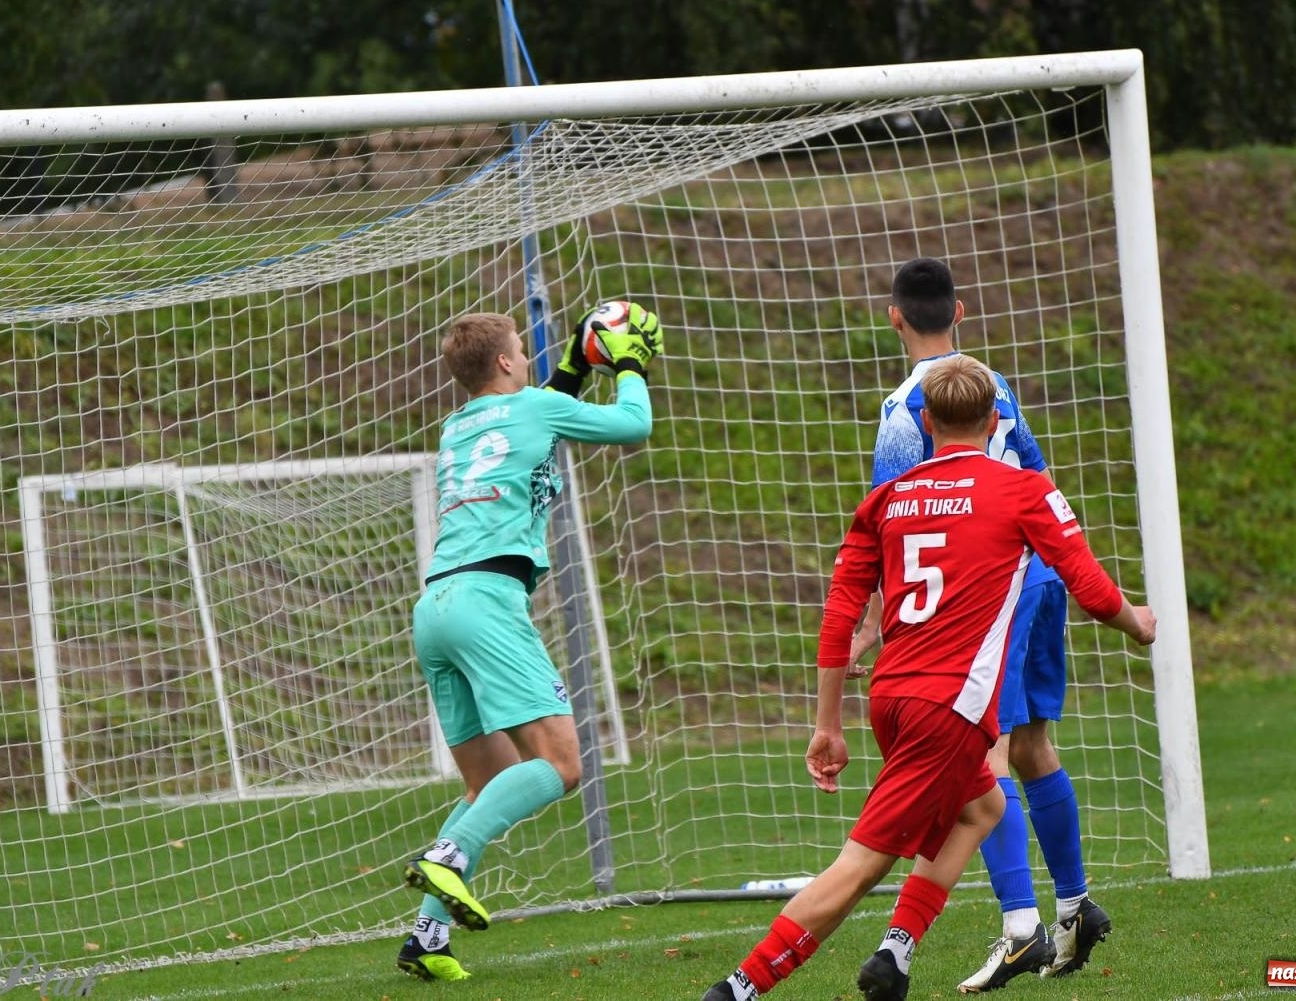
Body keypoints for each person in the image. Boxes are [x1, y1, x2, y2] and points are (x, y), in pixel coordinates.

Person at [700, 354, 1155, 1001]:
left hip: (890, 695)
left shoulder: (885, 499)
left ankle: (898, 950)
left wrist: (828, 724)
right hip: (951, 705)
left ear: (927, 424)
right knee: (862, 863)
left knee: (983, 806)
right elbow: (1086, 586)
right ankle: (740, 987)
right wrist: (1138, 623)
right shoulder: (1021, 488)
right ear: (996, 419)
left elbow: (841, 615)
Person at [856, 257, 1107, 989]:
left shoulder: (907, 408)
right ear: (959, 313)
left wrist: (879, 617)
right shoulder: (995, 389)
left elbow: (891, 524)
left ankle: (1021, 926)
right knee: (1030, 747)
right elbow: (1035, 477)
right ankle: (1077, 906)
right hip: (1038, 570)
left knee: (982, 757)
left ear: (895, 317)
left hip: (983, 593)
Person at [396, 305, 662, 982]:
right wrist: (627, 360)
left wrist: (576, 361)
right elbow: (635, 425)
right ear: (509, 362)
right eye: (523, 348)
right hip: (487, 602)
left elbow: (539, 409)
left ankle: (427, 937)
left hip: (435, 607)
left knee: (487, 782)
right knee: (563, 764)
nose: (528, 356)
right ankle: (450, 855)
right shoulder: (534, 412)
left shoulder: (457, 425)